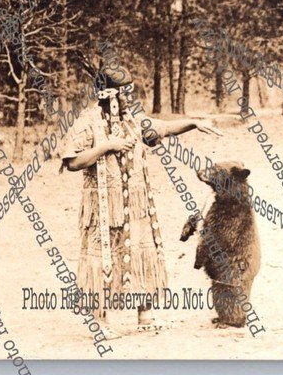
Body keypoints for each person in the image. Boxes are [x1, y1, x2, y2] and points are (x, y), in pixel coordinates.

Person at [61, 65, 222, 333]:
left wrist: (193, 123)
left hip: (136, 205)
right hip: (103, 208)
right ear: (109, 95)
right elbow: (73, 162)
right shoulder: (87, 122)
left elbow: (163, 128)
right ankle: (99, 321)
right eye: (125, 93)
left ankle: (144, 315)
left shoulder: (132, 119)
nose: (130, 98)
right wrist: (106, 146)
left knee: (142, 252)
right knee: (103, 258)